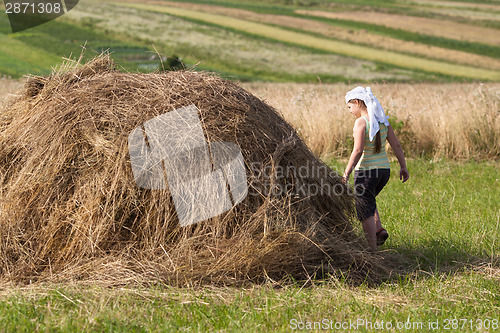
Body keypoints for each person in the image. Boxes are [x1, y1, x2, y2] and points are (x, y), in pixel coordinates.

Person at [342, 86, 409, 251]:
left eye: (350, 107)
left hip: (366, 172)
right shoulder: (383, 121)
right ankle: (379, 230)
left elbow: (358, 150)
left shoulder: (361, 122)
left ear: (357, 102)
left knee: (364, 210)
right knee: (369, 199)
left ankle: (371, 250)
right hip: (383, 171)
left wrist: (346, 173)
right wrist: (403, 167)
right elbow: (397, 145)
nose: (350, 111)